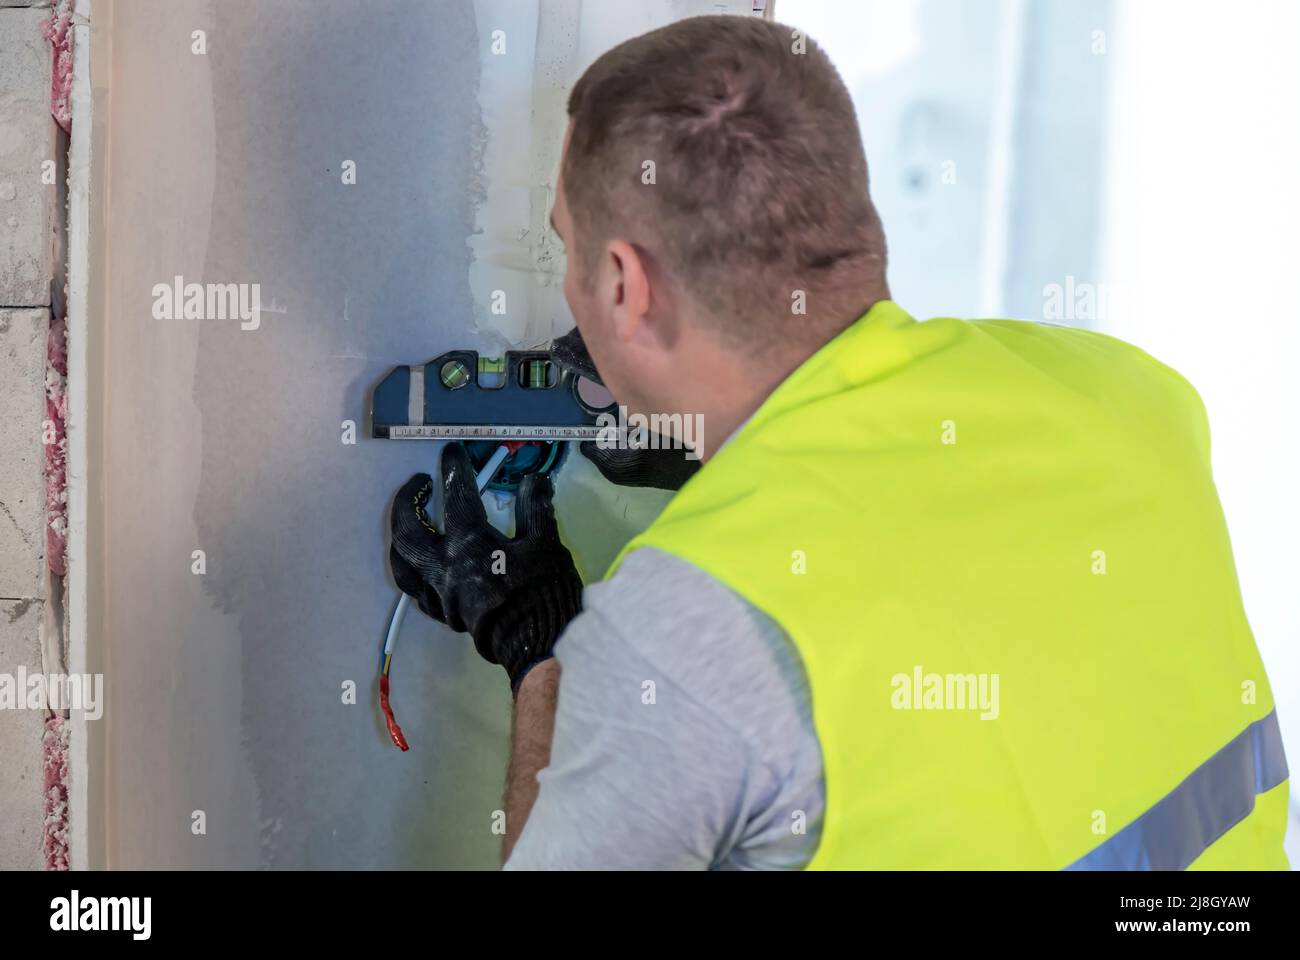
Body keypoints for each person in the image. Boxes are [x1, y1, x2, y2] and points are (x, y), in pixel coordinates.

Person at [390, 15, 1288, 870]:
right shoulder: (1129, 392)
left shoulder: (690, 623)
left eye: (569, 250)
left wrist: (537, 649)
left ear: (626, 287)